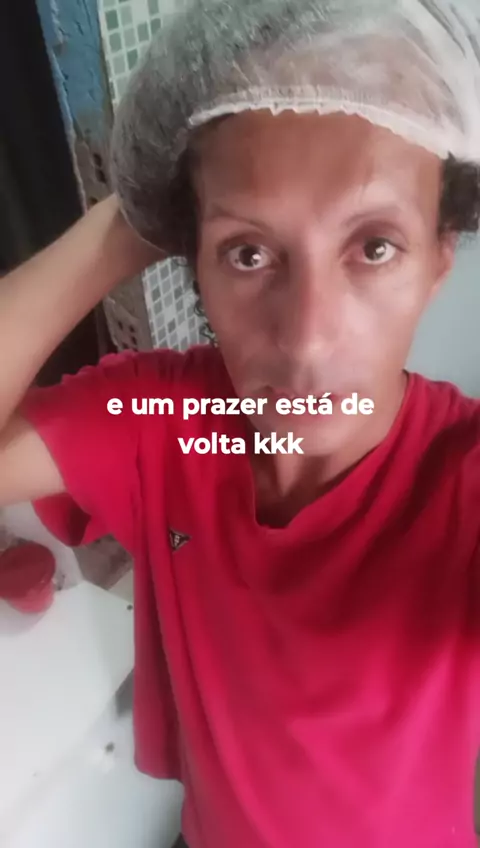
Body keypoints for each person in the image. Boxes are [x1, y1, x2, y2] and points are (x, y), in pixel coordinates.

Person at [2, 1, 480, 846]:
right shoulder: (176, 423)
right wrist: (124, 223)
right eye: (248, 252)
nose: (306, 336)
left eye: (373, 246)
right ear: (193, 260)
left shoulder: (460, 480)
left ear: (441, 256)